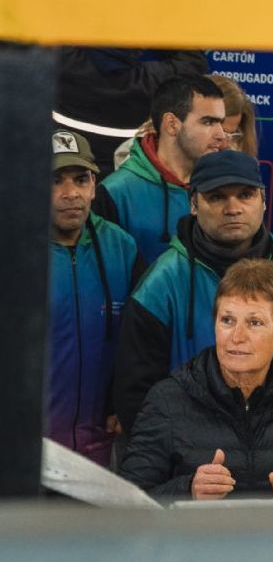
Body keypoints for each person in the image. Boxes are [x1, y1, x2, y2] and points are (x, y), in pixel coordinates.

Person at [114, 150, 273, 433]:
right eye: (217, 197)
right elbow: (136, 395)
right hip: (188, 451)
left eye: (246, 195)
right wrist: (179, 452)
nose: (233, 208)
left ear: (263, 200)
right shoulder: (159, 285)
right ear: (193, 204)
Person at [119, 259, 273, 499]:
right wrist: (189, 490)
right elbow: (128, 502)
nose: (237, 337)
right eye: (227, 320)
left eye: (255, 323)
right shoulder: (166, 401)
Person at [48, 129, 143, 466]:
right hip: (24, 448)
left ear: (94, 186)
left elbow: (139, 342)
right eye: (55, 180)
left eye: (81, 179)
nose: (70, 193)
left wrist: (121, 402)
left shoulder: (122, 247)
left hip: (99, 445)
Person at [93, 75, 226, 264]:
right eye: (208, 122)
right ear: (171, 124)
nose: (221, 135)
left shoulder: (225, 187)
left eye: (220, 122)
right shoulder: (114, 193)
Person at [55, 48, 209, 177]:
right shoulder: (152, 82)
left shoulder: (66, 64)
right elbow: (193, 61)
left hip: (63, 172)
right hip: (130, 180)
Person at [112, 74, 258, 168]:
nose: (223, 142)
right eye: (210, 124)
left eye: (231, 135)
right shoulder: (131, 164)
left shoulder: (235, 164)